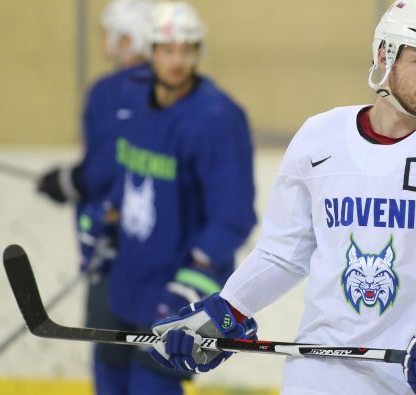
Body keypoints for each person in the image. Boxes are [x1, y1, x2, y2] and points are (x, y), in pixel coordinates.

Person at [148, 1, 416, 394]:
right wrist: (230, 308)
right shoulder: (320, 137)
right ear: (384, 55)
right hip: (324, 366)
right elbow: (284, 252)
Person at [95, 1, 257, 394]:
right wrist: (100, 217)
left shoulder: (218, 117)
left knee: (152, 387)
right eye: (168, 50)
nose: (178, 61)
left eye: (187, 50)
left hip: (176, 289)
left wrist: (193, 279)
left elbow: (233, 216)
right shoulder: (133, 102)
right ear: (150, 51)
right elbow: (127, 175)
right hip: (127, 284)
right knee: (109, 382)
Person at [36, 1, 155, 394]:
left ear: (127, 36)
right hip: (165, 261)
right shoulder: (184, 92)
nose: (104, 41)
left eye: (109, 32)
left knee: (111, 366)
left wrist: (67, 181)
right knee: (156, 370)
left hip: (114, 257)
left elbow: (103, 167)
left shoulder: (108, 90)